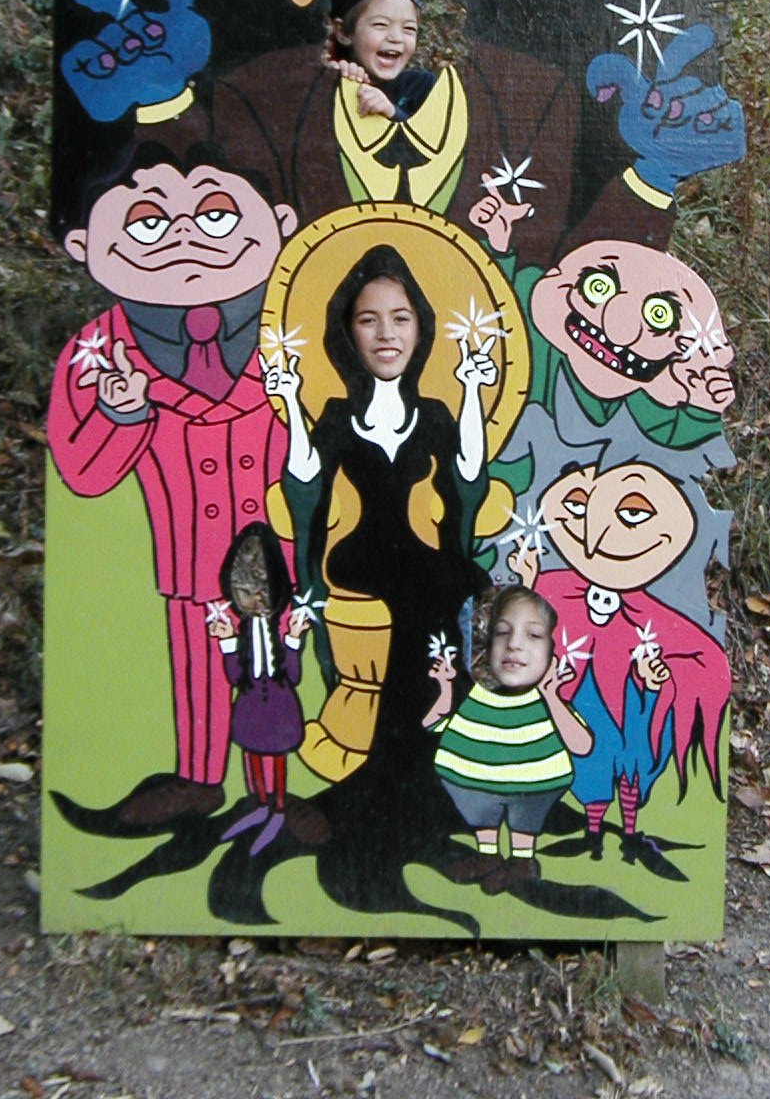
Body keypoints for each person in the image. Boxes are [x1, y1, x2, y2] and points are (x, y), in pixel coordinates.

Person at [47, 144, 298, 828]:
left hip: (290, 552)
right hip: (188, 557)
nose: (184, 236)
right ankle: (197, 780)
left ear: (279, 224)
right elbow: (82, 473)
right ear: (84, 245)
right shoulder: (99, 353)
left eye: (216, 216)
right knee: (200, 670)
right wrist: (122, 415)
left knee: (286, 668)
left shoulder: (296, 326)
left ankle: (278, 792)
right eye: (147, 224)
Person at [262, 244, 497, 782]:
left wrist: (471, 389)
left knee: (459, 581)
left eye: (400, 319)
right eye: (368, 320)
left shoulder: (433, 414)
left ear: (420, 330)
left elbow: (468, 475)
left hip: (416, 555)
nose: (386, 334)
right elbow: (305, 480)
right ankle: (405, 754)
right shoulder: (337, 415)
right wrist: (292, 402)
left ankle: (442, 739)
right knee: (427, 590)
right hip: (360, 554)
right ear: (348, 333)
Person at [423, 586, 591, 893]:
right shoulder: (476, 696)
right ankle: (487, 854)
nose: (514, 645)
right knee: (480, 808)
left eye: (533, 635)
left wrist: (552, 697)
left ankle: (522, 860)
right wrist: (445, 687)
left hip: (534, 785)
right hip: (471, 782)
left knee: (525, 815)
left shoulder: (545, 702)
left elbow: (581, 745)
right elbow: (433, 723)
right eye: (502, 632)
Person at [207, 523, 311, 856]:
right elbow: (235, 675)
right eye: (245, 590)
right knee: (251, 754)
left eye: (261, 589)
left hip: (279, 706)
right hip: (251, 705)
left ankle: (278, 808)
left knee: (277, 757)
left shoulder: (275, 630)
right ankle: (259, 803)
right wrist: (226, 641)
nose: (254, 597)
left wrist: (293, 638)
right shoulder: (243, 633)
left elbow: (292, 674)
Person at [324, 0, 435, 121]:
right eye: (380, 25)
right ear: (343, 32)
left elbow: (436, 136)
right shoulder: (327, 82)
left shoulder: (423, 89)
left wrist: (392, 113)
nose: (396, 38)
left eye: (409, 28)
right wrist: (327, 88)